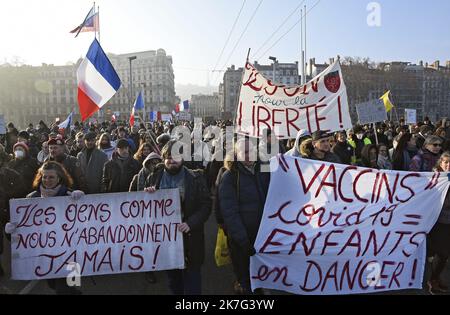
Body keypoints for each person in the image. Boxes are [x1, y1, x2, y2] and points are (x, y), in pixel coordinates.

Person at [4, 161, 84, 295]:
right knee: (55, 285)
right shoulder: (31, 199)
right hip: (46, 256)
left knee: (66, 288)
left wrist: (82, 201)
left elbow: (87, 224)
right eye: (44, 176)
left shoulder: (71, 197)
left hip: (70, 256)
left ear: (60, 178)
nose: (47, 180)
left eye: (51, 177)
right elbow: (21, 233)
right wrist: (10, 230)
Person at [144, 140, 211, 295]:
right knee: (174, 283)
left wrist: (191, 223)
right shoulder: (154, 178)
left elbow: (206, 205)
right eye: (168, 157)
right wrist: (148, 195)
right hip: (166, 240)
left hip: (191, 238)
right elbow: (144, 210)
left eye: (176, 156)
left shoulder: (196, 177)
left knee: (193, 283)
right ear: (163, 158)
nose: (172, 160)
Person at [218, 138, 270, 294]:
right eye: (244, 152)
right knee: (246, 278)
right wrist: (243, 240)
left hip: (263, 235)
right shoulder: (230, 177)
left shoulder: (265, 170)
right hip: (243, 240)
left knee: (262, 276)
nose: (249, 155)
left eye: (252, 151)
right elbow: (229, 213)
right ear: (236, 155)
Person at [427, 152, 450, 294]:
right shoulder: (435, 178)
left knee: (444, 254)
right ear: (440, 163)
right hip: (440, 221)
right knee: (442, 253)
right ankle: (432, 280)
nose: (448, 165)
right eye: (446, 162)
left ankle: (435, 278)